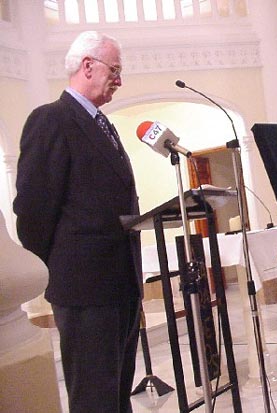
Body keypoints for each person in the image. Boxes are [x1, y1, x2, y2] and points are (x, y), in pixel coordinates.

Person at [13, 31, 142, 412]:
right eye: (114, 70)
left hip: (121, 282)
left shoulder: (105, 124)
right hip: (85, 288)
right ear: (88, 66)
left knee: (117, 393)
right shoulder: (51, 119)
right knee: (93, 397)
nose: (119, 79)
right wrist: (58, 270)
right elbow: (33, 210)